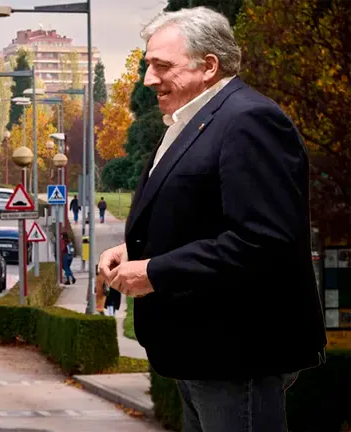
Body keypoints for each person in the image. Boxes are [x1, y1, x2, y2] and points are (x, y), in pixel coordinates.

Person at [97, 7, 326, 432]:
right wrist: (135, 250)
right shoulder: (193, 122)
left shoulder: (248, 121)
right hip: (203, 352)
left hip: (237, 355)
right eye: (148, 65)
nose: (148, 79)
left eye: (161, 66)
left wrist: (155, 272)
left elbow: (263, 242)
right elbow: (200, 219)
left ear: (209, 66)